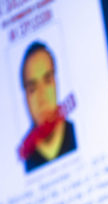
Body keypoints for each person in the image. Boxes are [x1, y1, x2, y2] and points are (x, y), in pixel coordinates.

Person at [19, 41, 77, 172]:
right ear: (25, 97)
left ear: (56, 83)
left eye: (47, 81)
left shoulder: (77, 134)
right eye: (32, 89)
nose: (42, 98)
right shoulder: (22, 160)